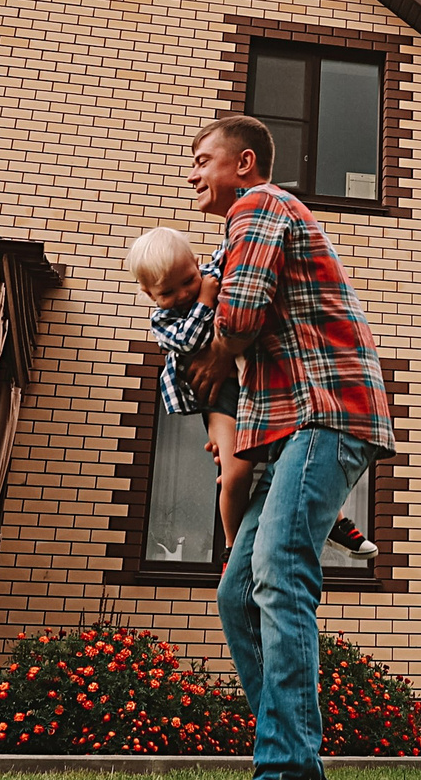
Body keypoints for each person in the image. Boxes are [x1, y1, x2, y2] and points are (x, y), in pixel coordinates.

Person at [183, 116, 397, 780]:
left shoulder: (262, 206)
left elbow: (240, 318)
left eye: (203, 159)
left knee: (278, 570)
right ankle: (288, 752)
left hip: (327, 411)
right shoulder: (237, 230)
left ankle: (288, 777)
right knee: (237, 593)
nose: (193, 172)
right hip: (287, 431)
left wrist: (213, 355)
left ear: (244, 163)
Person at [125, 226, 378, 561]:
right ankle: (232, 547)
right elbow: (188, 340)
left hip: (257, 387)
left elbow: (235, 250)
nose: (184, 294)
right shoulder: (164, 321)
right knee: (236, 471)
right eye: (168, 292)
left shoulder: (212, 274)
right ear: (148, 293)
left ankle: (334, 518)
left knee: (296, 454)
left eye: (189, 280)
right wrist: (205, 299)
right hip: (219, 399)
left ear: (196, 262)